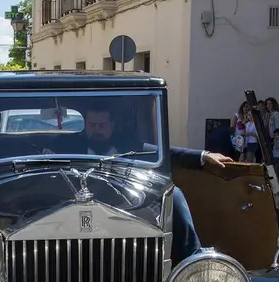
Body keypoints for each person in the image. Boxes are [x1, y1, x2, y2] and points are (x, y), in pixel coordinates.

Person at [43, 102, 233, 263]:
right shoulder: (66, 144)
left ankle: (191, 261)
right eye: (92, 125)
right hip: (74, 203)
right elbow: (41, 154)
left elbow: (165, 153)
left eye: (102, 125)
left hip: (122, 201)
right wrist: (47, 155)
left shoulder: (128, 144)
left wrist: (203, 155)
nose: (97, 131)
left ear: (111, 124)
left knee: (173, 196)